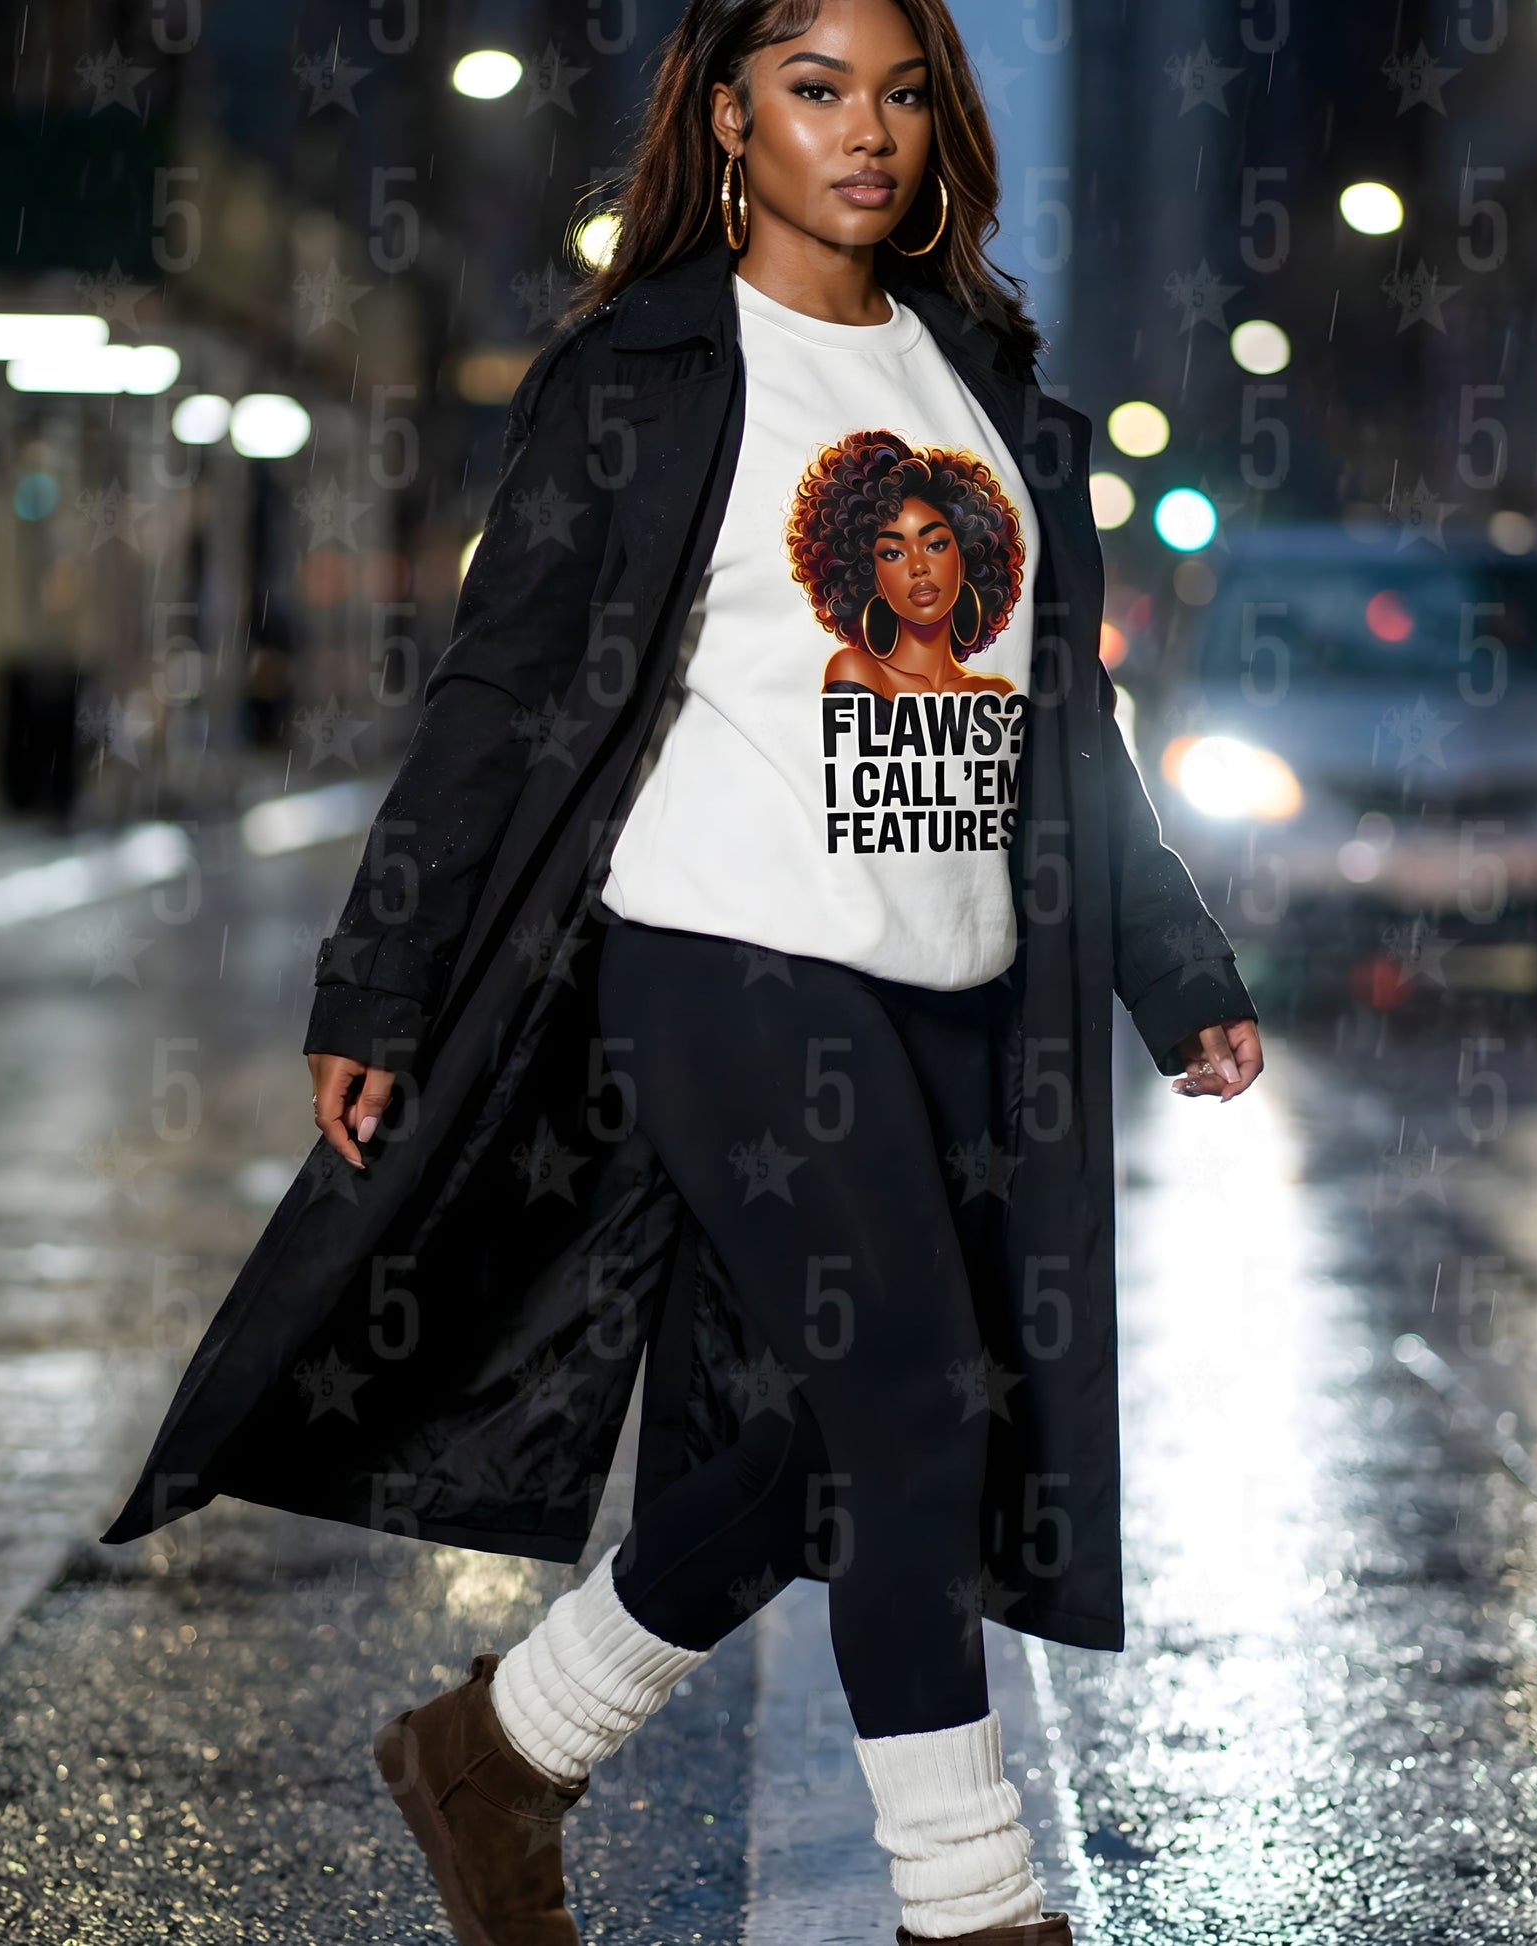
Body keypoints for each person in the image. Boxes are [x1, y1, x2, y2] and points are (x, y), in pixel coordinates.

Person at [105, 2, 1264, 1941]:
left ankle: (498, 1751)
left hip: (951, 988)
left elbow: (1066, 723)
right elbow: (495, 691)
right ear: (731, 117)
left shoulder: (981, 376)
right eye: (817, 90)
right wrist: (376, 981)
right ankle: (972, 1903)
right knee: (914, 1414)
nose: (866, 133)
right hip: (723, 963)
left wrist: (1175, 963)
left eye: (901, 94)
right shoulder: (641, 375)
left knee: (844, 1429)